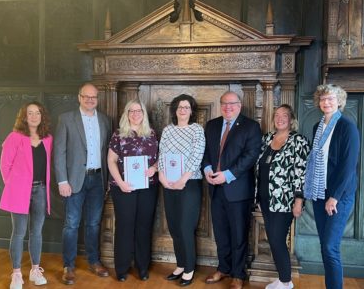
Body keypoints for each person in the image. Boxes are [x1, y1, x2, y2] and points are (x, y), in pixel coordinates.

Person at [54, 82, 112, 285]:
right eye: (86, 96)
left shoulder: (105, 120)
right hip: (74, 180)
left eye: (93, 97)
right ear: (79, 97)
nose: (90, 100)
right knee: (71, 224)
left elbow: (107, 152)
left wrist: (108, 181)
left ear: (98, 99)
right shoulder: (66, 119)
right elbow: (59, 152)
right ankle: (68, 266)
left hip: (98, 179)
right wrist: (62, 180)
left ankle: (94, 261)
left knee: (94, 223)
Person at [202, 91, 262, 289]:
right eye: (224, 103)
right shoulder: (211, 125)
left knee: (238, 234)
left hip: (238, 191)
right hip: (215, 189)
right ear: (220, 105)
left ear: (240, 104)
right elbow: (206, 153)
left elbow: (250, 156)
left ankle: (238, 274)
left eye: (232, 103)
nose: (228, 107)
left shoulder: (251, 126)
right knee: (221, 234)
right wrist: (208, 169)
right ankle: (223, 268)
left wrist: (227, 175)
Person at [304, 84, 360, 289]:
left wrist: (334, 197)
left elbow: (348, 166)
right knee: (325, 247)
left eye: (331, 99)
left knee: (330, 247)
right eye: (323, 99)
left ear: (339, 101)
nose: (326, 102)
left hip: (339, 195)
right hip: (320, 192)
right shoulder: (317, 127)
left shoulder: (347, 126)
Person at [255, 104, 310, 289]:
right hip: (265, 199)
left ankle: (286, 282)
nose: (280, 118)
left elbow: (301, 173)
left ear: (291, 118)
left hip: (285, 201)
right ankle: (282, 278)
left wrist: (299, 200)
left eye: (284, 115)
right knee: (273, 239)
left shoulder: (299, 141)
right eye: (277, 115)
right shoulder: (267, 139)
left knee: (277, 239)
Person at [0, 101, 53, 289]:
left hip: (40, 190)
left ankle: (35, 270)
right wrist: (14, 186)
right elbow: (5, 165)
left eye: (37, 113)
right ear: (24, 116)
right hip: (19, 191)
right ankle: (16, 274)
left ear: (42, 116)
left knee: (36, 231)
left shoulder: (47, 139)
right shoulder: (14, 137)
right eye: (30, 113)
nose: (34, 116)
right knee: (19, 232)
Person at [107, 99, 159, 282]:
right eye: (132, 111)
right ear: (126, 114)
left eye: (139, 111)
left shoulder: (152, 134)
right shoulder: (118, 135)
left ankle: (142, 267)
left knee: (144, 227)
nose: (136, 114)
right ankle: (121, 268)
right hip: (123, 188)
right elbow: (111, 160)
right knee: (124, 226)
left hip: (148, 187)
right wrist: (120, 182)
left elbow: (161, 158)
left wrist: (154, 168)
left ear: (144, 114)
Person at [158, 94, 206, 287]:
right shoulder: (168, 130)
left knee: (186, 227)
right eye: (179, 106)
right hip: (168, 184)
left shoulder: (197, 130)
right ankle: (180, 264)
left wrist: (183, 179)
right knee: (174, 227)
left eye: (186, 107)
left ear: (192, 110)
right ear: (175, 110)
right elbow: (161, 154)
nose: (183, 110)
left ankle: (189, 268)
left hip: (189, 183)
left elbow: (197, 155)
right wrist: (162, 176)